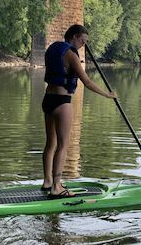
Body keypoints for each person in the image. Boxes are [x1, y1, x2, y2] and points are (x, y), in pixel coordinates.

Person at [41, 24, 117, 198]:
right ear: (74, 36)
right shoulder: (70, 54)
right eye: (82, 41)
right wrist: (107, 94)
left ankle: (47, 182)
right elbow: (87, 82)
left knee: (50, 143)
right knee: (63, 145)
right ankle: (57, 187)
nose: (83, 45)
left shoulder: (53, 48)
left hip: (48, 100)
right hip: (62, 102)